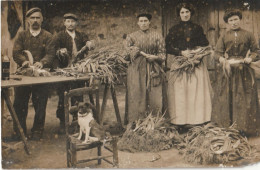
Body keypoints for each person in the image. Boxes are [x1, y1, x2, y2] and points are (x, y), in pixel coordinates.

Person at [212, 9, 260, 136]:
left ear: (240, 20)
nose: (234, 22)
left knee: (243, 98)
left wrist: (250, 58)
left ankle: (244, 128)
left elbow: (256, 51)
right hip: (229, 71)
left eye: (236, 19)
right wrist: (222, 59)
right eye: (231, 20)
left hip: (244, 70)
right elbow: (217, 53)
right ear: (227, 22)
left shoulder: (248, 34)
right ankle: (228, 128)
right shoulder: (224, 36)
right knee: (227, 98)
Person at [165, 2, 212, 131]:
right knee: (180, 93)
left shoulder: (197, 28)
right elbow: (167, 47)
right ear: (179, 14)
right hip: (180, 64)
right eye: (182, 12)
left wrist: (197, 54)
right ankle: (180, 122)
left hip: (195, 64)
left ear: (191, 13)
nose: (185, 15)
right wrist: (181, 53)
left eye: (187, 12)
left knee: (195, 92)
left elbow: (205, 45)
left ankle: (196, 121)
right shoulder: (173, 29)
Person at [12, 7, 55, 140]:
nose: (35, 20)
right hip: (24, 75)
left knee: (40, 104)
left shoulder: (48, 36)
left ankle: (37, 132)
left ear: (42, 20)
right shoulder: (22, 35)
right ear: (28, 20)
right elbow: (16, 52)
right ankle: (20, 132)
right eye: (32, 18)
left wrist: (42, 62)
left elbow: (50, 53)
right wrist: (24, 61)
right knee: (19, 104)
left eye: (38, 18)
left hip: (41, 75)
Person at [51, 13, 94, 133]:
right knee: (63, 97)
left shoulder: (80, 35)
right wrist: (60, 52)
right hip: (64, 71)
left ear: (76, 23)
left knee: (78, 96)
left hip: (78, 71)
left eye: (73, 22)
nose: (70, 24)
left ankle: (77, 122)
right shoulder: (59, 36)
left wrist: (90, 44)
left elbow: (88, 43)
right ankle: (62, 122)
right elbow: (53, 51)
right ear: (64, 23)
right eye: (68, 21)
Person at [124, 13, 166, 124]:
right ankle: (136, 122)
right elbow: (125, 56)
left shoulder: (157, 36)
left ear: (149, 22)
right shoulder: (131, 37)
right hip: (136, 70)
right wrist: (132, 51)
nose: (143, 23)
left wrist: (155, 57)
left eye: (145, 21)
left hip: (153, 68)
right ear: (138, 23)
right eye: (141, 21)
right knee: (137, 94)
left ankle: (155, 122)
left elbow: (163, 55)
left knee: (154, 96)